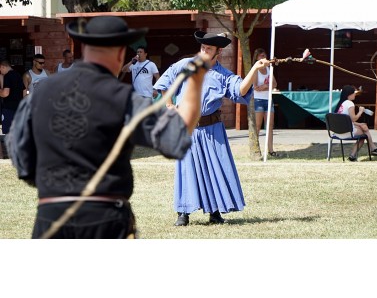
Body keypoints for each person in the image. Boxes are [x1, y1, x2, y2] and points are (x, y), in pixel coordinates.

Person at [6, 16, 209, 239]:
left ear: (85, 47)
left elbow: (19, 152)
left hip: (51, 217)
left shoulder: (41, 93)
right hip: (106, 219)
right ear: (121, 53)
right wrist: (197, 81)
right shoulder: (123, 98)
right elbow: (176, 139)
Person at [154, 30, 271, 226]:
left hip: (212, 129)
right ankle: (183, 213)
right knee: (186, 169)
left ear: (218, 53)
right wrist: (169, 106)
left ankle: (215, 212)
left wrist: (254, 70)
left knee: (215, 169)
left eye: (208, 49)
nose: (204, 51)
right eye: (202, 47)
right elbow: (164, 82)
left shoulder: (223, 75)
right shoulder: (184, 65)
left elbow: (241, 90)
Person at [334, 85, 377, 161]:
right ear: (349, 94)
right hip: (346, 132)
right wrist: (360, 111)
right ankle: (370, 149)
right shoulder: (350, 104)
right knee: (364, 133)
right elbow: (354, 118)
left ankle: (372, 148)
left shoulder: (341, 104)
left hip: (337, 131)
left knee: (363, 126)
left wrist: (359, 124)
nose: (355, 94)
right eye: (354, 93)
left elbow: (347, 120)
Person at [252, 47, 278, 157]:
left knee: (270, 126)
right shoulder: (256, 69)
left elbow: (274, 84)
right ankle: (257, 150)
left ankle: (270, 150)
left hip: (268, 100)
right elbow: (256, 87)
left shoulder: (269, 69)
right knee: (258, 126)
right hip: (258, 100)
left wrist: (266, 86)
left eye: (264, 55)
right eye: (261, 56)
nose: (264, 58)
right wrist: (267, 86)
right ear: (257, 58)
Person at [0, 60, 25, 135]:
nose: (0, 71)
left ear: (3, 67)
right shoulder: (18, 75)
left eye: (0, 69)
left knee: (8, 133)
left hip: (8, 109)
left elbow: (5, 93)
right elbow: (24, 90)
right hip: (18, 108)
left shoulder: (8, 76)